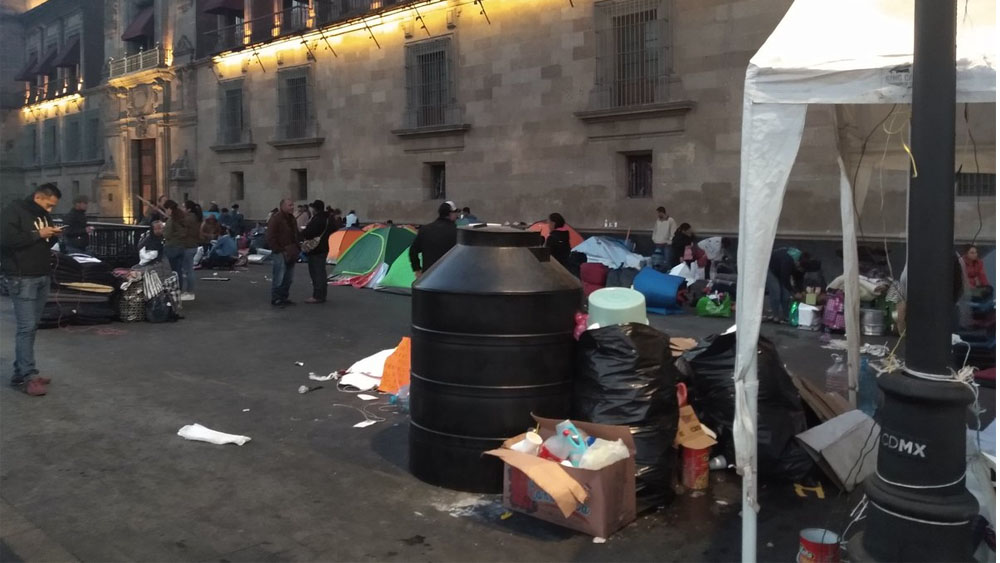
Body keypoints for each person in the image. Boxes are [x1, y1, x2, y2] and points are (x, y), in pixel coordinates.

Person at [1, 183, 63, 396]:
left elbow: (44, 240)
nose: (50, 210)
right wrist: (38, 234)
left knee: (32, 326)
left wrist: (53, 234)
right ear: (38, 197)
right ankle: (28, 376)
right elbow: (7, 240)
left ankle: (21, 372)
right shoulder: (14, 210)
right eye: (49, 205)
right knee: (26, 327)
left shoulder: (43, 215)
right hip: (22, 277)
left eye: (53, 207)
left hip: (41, 275)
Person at [301, 200, 338, 303]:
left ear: (315, 209)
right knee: (321, 271)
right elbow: (334, 228)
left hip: (315, 249)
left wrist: (303, 232)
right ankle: (322, 294)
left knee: (316, 272)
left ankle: (317, 296)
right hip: (324, 247)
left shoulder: (317, 219)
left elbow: (309, 233)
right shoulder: (328, 218)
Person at [163, 200, 201, 302]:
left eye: (184, 207)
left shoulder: (188, 218)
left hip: (188, 245)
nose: (182, 209)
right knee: (182, 270)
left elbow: (170, 233)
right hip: (186, 245)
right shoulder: (190, 217)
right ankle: (185, 291)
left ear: (189, 209)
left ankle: (190, 292)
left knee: (187, 270)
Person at [409, 201, 459, 278]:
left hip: (428, 278)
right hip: (450, 277)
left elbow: (413, 251)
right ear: (450, 214)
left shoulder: (425, 229)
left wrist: (417, 270)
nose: (457, 215)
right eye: (456, 212)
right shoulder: (457, 232)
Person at [267, 198, 300, 307]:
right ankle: (276, 298)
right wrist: (278, 249)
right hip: (280, 251)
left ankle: (284, 297)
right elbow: (271, 236)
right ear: (283, 206)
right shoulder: (276, 219)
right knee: (279, 276)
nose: (292, 207)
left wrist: (298, 246)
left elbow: (295, 234)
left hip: (291, 250)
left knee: (288, 277)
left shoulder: (292, 219)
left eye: (292, 205)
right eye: (290, 205)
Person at [766, 247, 807, 322]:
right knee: (776, 291)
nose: (800, 270)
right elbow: (785, 279)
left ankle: (787, 315)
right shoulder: (788, 261)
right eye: (799, 268)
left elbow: (798, 278)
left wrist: (800, 290)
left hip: (782, 270)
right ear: (797, 264)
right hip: (771, 269)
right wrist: (793, 292)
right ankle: (775, 315)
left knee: (786, 295)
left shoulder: (803, 265)